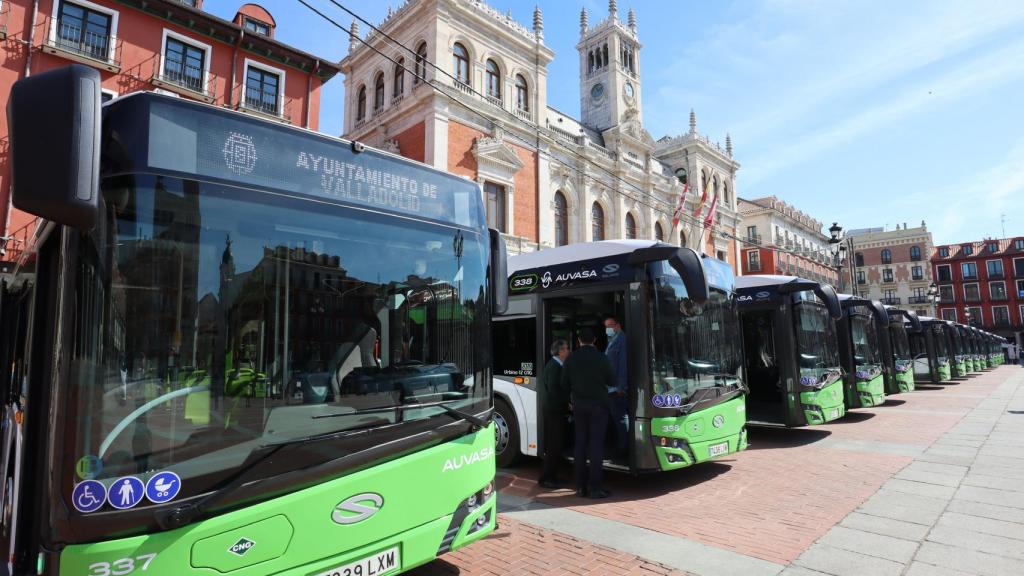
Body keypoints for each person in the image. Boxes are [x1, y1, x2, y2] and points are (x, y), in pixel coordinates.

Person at [561, 327, 615, 499]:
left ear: (578, 341)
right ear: (594, 341)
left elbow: (564, 383)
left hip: (579, 406)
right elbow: (612, 380)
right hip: (599, 406)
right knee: (596, 446)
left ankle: (579, 487)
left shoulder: (571, 358)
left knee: (580, 444)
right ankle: (595, 488)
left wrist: (571, 400)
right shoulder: (602, 358)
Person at [538, 339, 570, 489]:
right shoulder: (555, 367)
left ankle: (550, 476)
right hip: (554, 410)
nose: (568, 351)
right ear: (560, 351)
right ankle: (548, 478)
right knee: (554, 444)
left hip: (553, 409)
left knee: (554, 443)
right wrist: (567, 403)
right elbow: (555, 390)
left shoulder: (555, 365)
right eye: (566, 348)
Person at [604, 315, 628, 458]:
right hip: (610, 388)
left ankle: (623, 448)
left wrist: (620, 387)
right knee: (616, 418)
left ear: (617, 325)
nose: (608, 329)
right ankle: (620, 445)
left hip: (616, 389)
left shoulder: (621, 340)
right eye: (606, 326)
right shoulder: (613, 340)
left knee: (620, 419)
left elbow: (623, 365)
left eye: (610, 325)